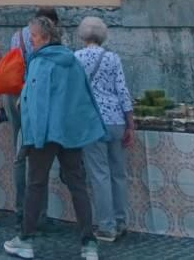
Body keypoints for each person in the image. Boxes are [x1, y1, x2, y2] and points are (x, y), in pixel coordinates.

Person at [4, 16, 104, 260]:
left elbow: (36, 106)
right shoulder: (73, 61)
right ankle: (89, 243)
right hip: (69, 133)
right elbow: (83, 98)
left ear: (45, 38)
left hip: (44, 134)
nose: (31, 41)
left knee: (36, 184)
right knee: (77, 184)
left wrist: (30, 140)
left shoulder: (41, 63)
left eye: (34, 36)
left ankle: (25, 239)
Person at [75, 16, 135, 243]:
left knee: (99, 174)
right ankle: (121, 221)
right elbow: (122, 90)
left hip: (92, 121)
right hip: (116, 120)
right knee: (118, 173)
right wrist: (130, 121)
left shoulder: (76, 58)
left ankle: (106, 226)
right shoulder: (112, 58)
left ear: (82, 35)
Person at [5, 6, 61, 237]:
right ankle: (39, 214)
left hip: (13, 95)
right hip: (34, 97)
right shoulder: (53, 42)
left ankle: (20, 211)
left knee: (20, 155)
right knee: (39, 155)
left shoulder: (17, 36)